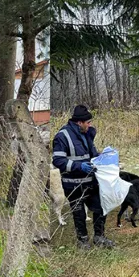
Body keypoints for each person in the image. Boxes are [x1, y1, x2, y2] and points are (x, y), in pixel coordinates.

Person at [51, 105, 114, 250]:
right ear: (79, 122)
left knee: (101, 206)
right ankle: (83, 241)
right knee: (78, 213)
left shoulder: (86, 134)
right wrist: (79, 166)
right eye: (88, 123)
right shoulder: (62, 136)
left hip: (91, 181)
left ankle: (99, 237)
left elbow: (91, 155)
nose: (90, 125)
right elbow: (58, 161)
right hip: (73, 184)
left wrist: (102, 157)